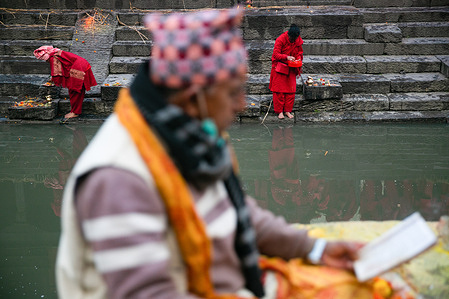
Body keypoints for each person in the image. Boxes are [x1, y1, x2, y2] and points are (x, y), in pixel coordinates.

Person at [56, 7, 383, 299]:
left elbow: (235, 212)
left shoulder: (192, 134)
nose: (242, 104)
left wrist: (316, 248)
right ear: (194, 96)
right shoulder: (117, 179)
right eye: (232, 93)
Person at [33, 46, 97, 122]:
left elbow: (56, 73)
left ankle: (75, 112)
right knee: (75, 90)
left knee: (74, 91)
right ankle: (75, 111)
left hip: (79, 68)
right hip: (81, 65)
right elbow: (61, 68)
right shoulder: (55, 52)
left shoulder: (53, 58)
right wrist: (52, 79)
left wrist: (53, 81)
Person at [269, 24, 303, 119]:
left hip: (291, 67)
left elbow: (299, 52)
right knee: (279, 92)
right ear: (288, 35)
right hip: (279, 67)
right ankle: (279, 112)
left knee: (291, 91)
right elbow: (276, 54)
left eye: (295, 39)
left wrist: (299, 60)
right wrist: (287, 57)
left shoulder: (297, 39)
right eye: (292, 39)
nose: (293, 41)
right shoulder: (280, 39)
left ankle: (287, 111)